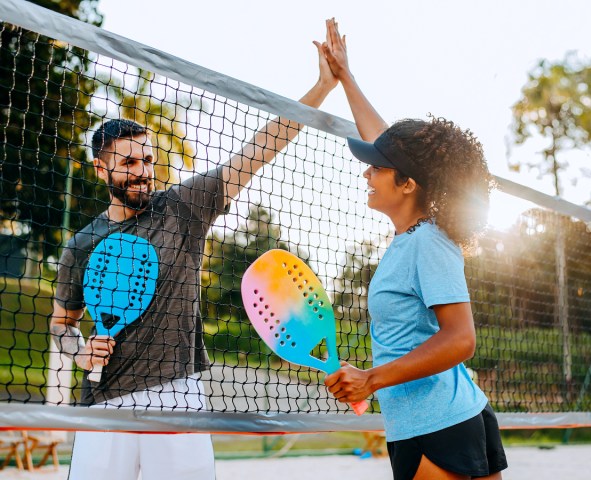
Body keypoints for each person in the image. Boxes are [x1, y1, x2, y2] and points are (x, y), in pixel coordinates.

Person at [50, 41, 339, 480]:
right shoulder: (81, 245)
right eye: (128, 162)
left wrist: (321, 88)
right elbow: (61, 325)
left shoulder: (182, 208)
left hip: (177, 395)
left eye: (148, 159)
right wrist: (81, 351)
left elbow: (257, 151)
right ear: (101, 170)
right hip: (104, 404)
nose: (143, 170)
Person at [320, 19, 508, 480]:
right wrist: (346, 77)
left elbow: (461, 338)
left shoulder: (427, 241)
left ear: (406, 183)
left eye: (376, 168)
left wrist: (372, 378)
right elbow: (387, 142)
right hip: (444, 418)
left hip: (436, 427)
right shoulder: (413, 234)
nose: (366, 173)